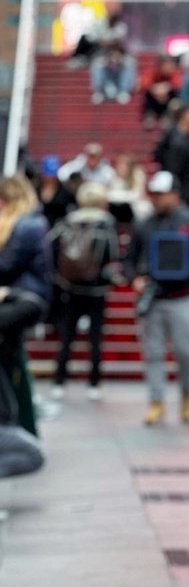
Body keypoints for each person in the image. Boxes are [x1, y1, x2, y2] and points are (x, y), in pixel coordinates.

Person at [125, 171, 189, 427]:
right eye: (154, 194)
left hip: (183, 297)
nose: (157, 200)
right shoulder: (144, 224)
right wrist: (134, 278)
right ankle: (156, 401)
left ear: (175, 195)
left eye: (162, 194)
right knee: (153, 352)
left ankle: (187, 395)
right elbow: (129, 260)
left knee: (185, 352)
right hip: (152, 298)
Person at [48, 183, 119, 401]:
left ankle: (59, 381)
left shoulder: (68, 221)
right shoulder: (105, 225)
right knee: (95, 337)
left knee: (67, 336)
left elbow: (49, 244)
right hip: (96, 289)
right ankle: (94, 383)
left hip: (70, 287)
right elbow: (112, 254)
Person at [0, 176, 52, 436]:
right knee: (12, 359)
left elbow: (7, 266)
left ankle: (15, 423)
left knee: (13, 361)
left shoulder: (27, 225)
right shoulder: (25, 224)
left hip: (26, 300)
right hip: (19, 299)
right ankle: (22, 426)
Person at [141, 55, 182, 127]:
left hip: (168, 101)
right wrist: (156, 90)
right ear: (160, 65)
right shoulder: (152, 71)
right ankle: (149, 115)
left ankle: (167, 117)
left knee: (176, 99)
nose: (169, 68)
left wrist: (165, 88)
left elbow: (177, 84)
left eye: (171, 65)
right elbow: (144, 84)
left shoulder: (174, 72)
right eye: (167, 65)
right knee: (147, 95)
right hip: (154, 100)